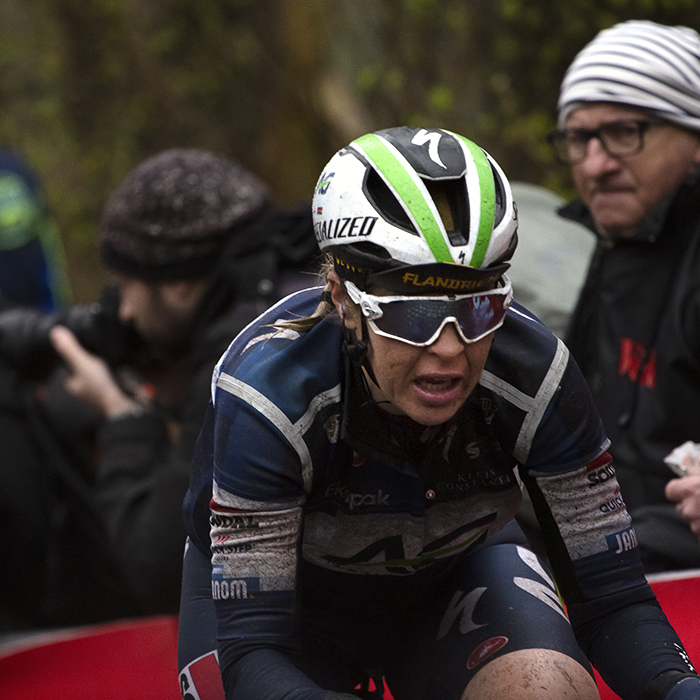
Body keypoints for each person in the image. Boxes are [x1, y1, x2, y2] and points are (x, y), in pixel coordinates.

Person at [178, 126, 700, 700]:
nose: (451, 349)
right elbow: (255, 651)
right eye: (413, 314)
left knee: (547, 690)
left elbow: (615, 602)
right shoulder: (270, 398)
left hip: (455, 577)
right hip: (288, 620)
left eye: (478, 307)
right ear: (341, 298)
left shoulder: (534, 374)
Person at [0, 148, 316, 630]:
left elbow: (161, 571)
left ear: (181, 283)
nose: (123, 312)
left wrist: (122, 417)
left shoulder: (246, 358)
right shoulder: (298, 293)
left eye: (127, 284)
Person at [547, 20, 700, 573]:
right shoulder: (621, 243)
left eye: (623, 132)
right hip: (613, 522)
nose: (595, 164)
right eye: (579, 139)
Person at [0, 149, 71, 311]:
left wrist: (55, 293)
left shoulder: (15, 165)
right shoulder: (16, 164)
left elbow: (46, 228)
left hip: (36, 285)